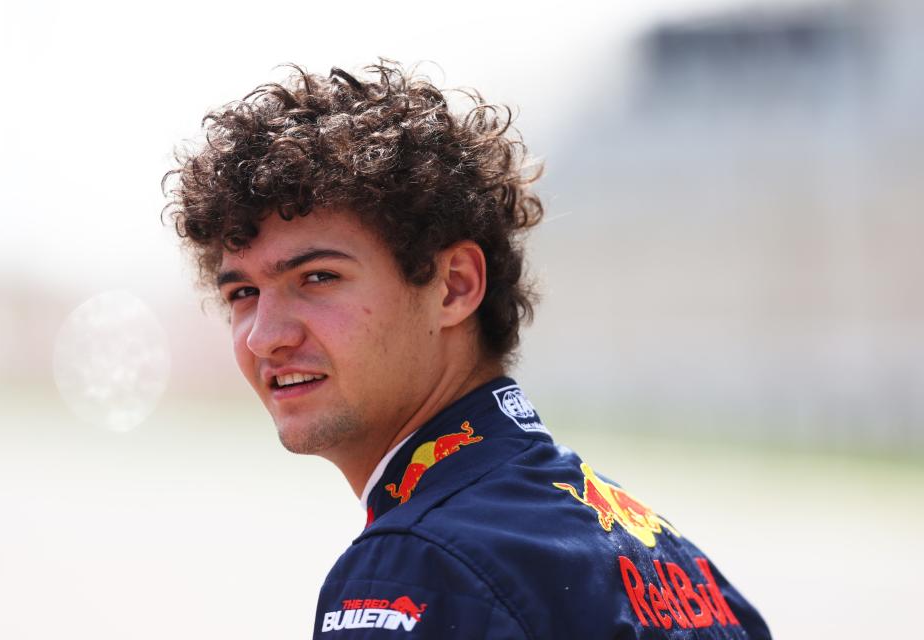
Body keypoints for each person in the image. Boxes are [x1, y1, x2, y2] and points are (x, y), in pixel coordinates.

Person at [163, 61, 771, 639]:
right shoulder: (680, 567)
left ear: (454, 286)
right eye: (242, 292)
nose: (265, 335)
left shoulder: (416, 572)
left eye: (318, 277)